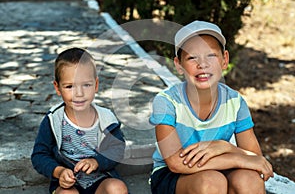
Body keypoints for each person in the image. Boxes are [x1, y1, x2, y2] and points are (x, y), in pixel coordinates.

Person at [149, 21, 273, 194]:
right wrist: (237, 158)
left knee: (249, 180)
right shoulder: (167, 102)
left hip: (220, 167)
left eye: (211, 55)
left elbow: (254, 158)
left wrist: (225, 147)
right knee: (211, 182)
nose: (203, 64)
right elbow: (176, 163)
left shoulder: (235, 102)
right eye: (192, 57)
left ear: (225, 60)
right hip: (173, 176)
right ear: (178, 65)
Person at [31, 47, 128, 194]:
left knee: (117, 188)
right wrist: (59, 172)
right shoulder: (54, 119)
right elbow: (39, 155)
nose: (79, 93)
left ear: (96, 85)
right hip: (68, 184)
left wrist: (97, 162)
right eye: (69, 86)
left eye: (86, 85)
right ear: (57, 88)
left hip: (100, 180)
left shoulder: (106, 119)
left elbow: (117, 149)